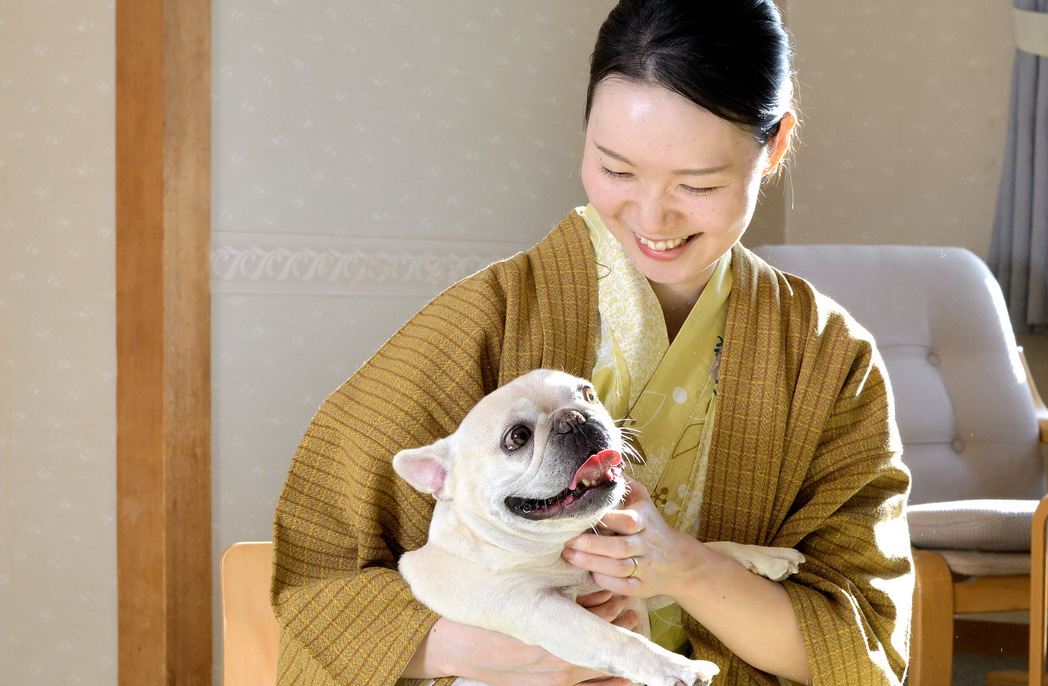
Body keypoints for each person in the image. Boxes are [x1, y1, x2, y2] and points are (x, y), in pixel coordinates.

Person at [270, 1, 913, 684]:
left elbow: (858, 650)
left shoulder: (827, 360)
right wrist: (468, 643)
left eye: (698, 184)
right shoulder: (486, 320)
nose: (651, 217)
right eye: (616, 170)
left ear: (775, 146)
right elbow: (317, 582)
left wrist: (685, 567)